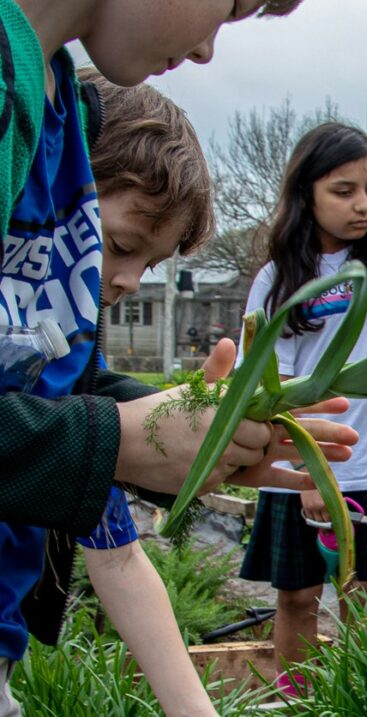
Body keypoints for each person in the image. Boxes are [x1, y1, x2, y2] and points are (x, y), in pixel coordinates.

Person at [0, 0, 351, 711]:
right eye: (229, 6)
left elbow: (28, 375)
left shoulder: (61, 112)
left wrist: (182, 420)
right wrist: (114, 439)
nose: (204, 47)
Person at [238, 122, 367, 696]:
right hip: (298, 473)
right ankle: (299, 703)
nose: (363, 204)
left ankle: (365, 703)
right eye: (344, 190)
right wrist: (307, 477)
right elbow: (264, 382)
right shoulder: (278, 280)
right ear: (308, 196)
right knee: (298, 597)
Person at [74, 72, 222, 717]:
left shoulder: (65, 363)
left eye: (149, 263)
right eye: (121, 246)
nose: (131, 281)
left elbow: (118, 555)